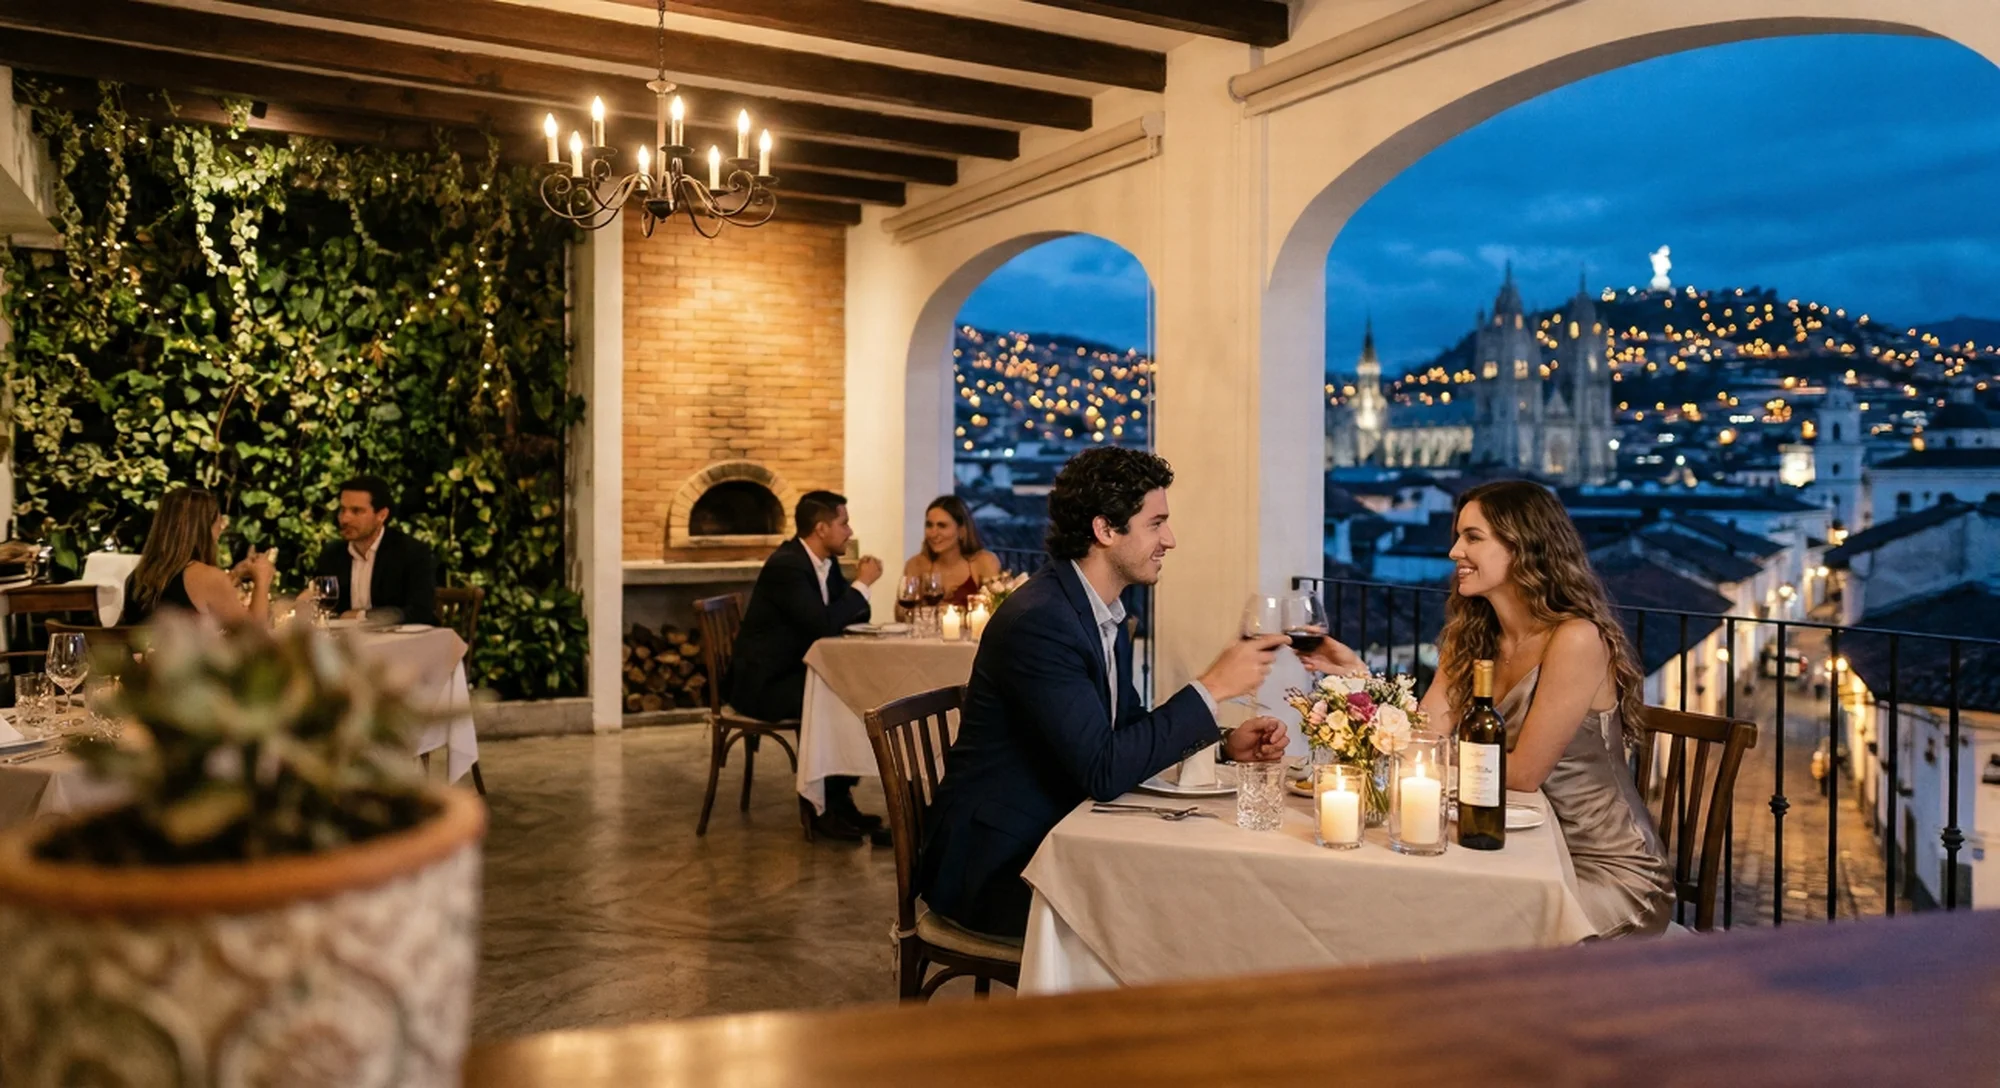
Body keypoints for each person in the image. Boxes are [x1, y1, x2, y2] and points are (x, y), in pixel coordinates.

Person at [917, 447, 1291, 939]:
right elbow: (1104, 769)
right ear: (1105, 530)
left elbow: (1125, 729)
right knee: (1189, 913)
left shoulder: (1099, 611)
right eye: (1156, 524)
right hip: (996, 867)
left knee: (1203, 898)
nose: (1170, 540)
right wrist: (1214, 684)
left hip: (1050, 832)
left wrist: (1220, 746)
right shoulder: (1042, 622)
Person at [1305, 479, 1674, 939]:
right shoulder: (1471, 638)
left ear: (1525, 547)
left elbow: (1521, 775)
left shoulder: (1576, 639)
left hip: (1602, 870)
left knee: (1462, 926)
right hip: (1507, 850)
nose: (1454, 552)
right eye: (1457, 537)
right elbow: (1421, 736)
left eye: (1473, 538)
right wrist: (1360, 677)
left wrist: (1434, 754)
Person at [728, 490, 887, 843]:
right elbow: (823, 625)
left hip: (797, 672)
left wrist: (857, 591)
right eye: (843, 523)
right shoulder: (788, 566)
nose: (849, 531)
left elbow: (853, 614)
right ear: (821, 528)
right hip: (765, 684)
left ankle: (838, 800)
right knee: (839, 700)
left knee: (855, 694)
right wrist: (862, 584)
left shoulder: (823, 563)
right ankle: (822, 809)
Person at [122, 487, 276, 625]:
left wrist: (235, 574)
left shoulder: (137, 578)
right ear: (205, 530)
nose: (220, 532)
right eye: (218, 524)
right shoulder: (207, 578)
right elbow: (254, 640)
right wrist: (263, 580)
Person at [308, 475, 438, 626]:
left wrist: (362, 616)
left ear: (382, 515)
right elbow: (324, 604)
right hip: (347, 643)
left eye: (356, 511)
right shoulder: (333, 554)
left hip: (400, 644)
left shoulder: (411, 552)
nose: (345, 519)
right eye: (342, 510)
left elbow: (420, 611)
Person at [902, 496, 1002, 611]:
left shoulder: (984, 561)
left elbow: (995, 611)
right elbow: (901, 615)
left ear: (961, 531)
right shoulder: (916, 564)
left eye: (942, 526)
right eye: (929, 525)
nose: (933, 533)